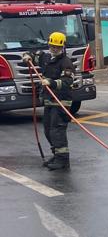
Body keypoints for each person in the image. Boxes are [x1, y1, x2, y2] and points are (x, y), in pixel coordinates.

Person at [23, 32, 76, 170]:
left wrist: (51, 82)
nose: (54, 49)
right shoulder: (46, 57)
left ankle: (63, 160)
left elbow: (67, 81)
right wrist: (27, 56)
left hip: (61, 102)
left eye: (57, 47)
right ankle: (56, 155)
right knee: (48, 130)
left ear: (63, 47)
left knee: (57, 130)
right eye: (52, 46)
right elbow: (34, 54)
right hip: (49, 101)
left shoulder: (66, 63)